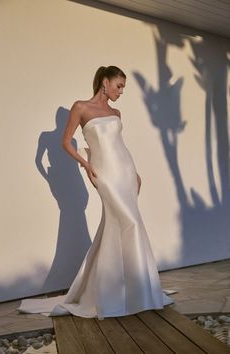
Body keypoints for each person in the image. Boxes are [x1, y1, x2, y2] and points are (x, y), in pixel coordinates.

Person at [18, 66, 174, 319]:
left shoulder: (115, 112)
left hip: (125, 171)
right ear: (105, 81)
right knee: (130, 223)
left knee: (119, 225)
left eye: (123, 87)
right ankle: (124, 291)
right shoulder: (81, 107)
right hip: (103, 173)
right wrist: (86, 164)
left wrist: (134, 173)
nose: (121, 92)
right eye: (119, 86)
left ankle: (131, 289)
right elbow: (65, 142)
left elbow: (119, 145)